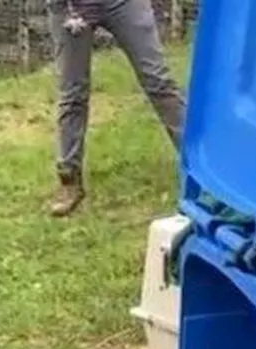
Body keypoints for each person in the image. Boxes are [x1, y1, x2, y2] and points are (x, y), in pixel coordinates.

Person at [45, 0, 186, 217]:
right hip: (69, 7)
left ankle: (200, 164)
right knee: (72, 93)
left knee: (158, 81)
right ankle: (69, 179)